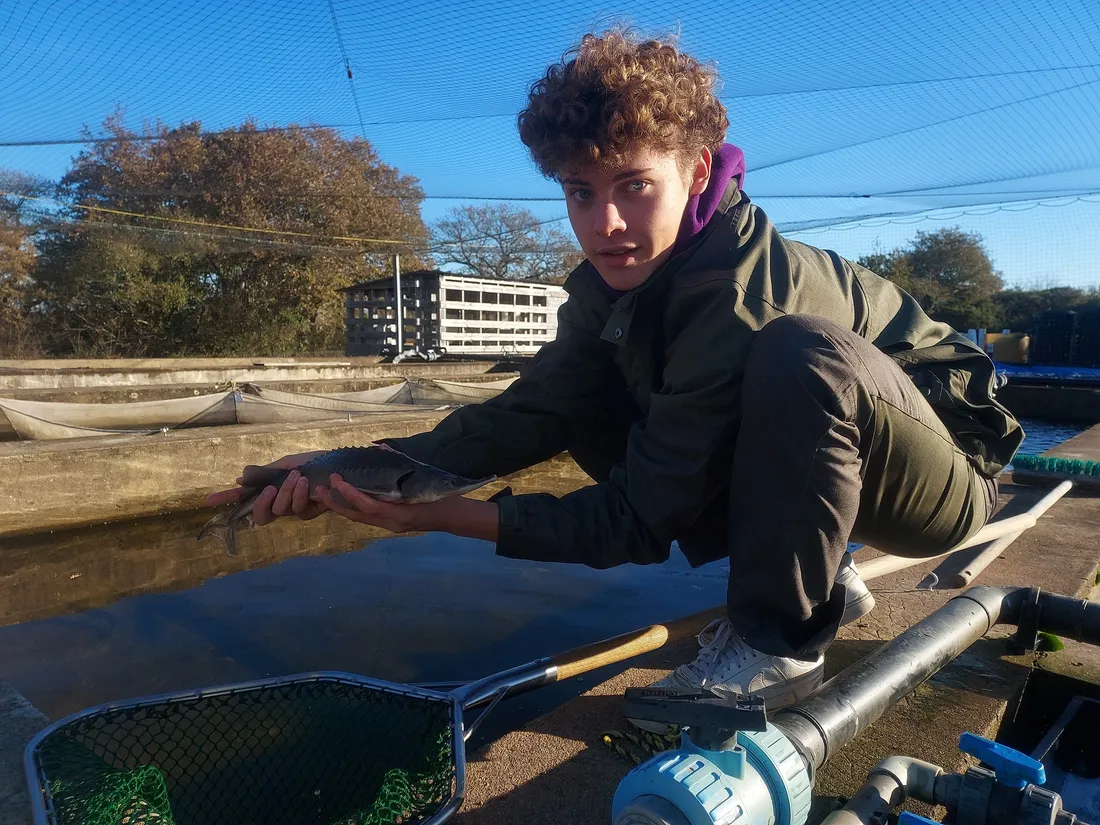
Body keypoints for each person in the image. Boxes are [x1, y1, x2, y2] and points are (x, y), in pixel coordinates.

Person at [206, 30, 1022, 728]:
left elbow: (638, 519)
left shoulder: (745, 290)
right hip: (849, 462)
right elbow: (530, 412)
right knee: (589, 401)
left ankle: (779, 647)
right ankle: (819, 577)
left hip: (947, 470)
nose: (607, 225)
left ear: (698, 174)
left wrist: (444, 520)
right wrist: (364, 469)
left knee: (800, 355)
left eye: (635, 186)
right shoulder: (604, 292)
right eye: (581, 192)